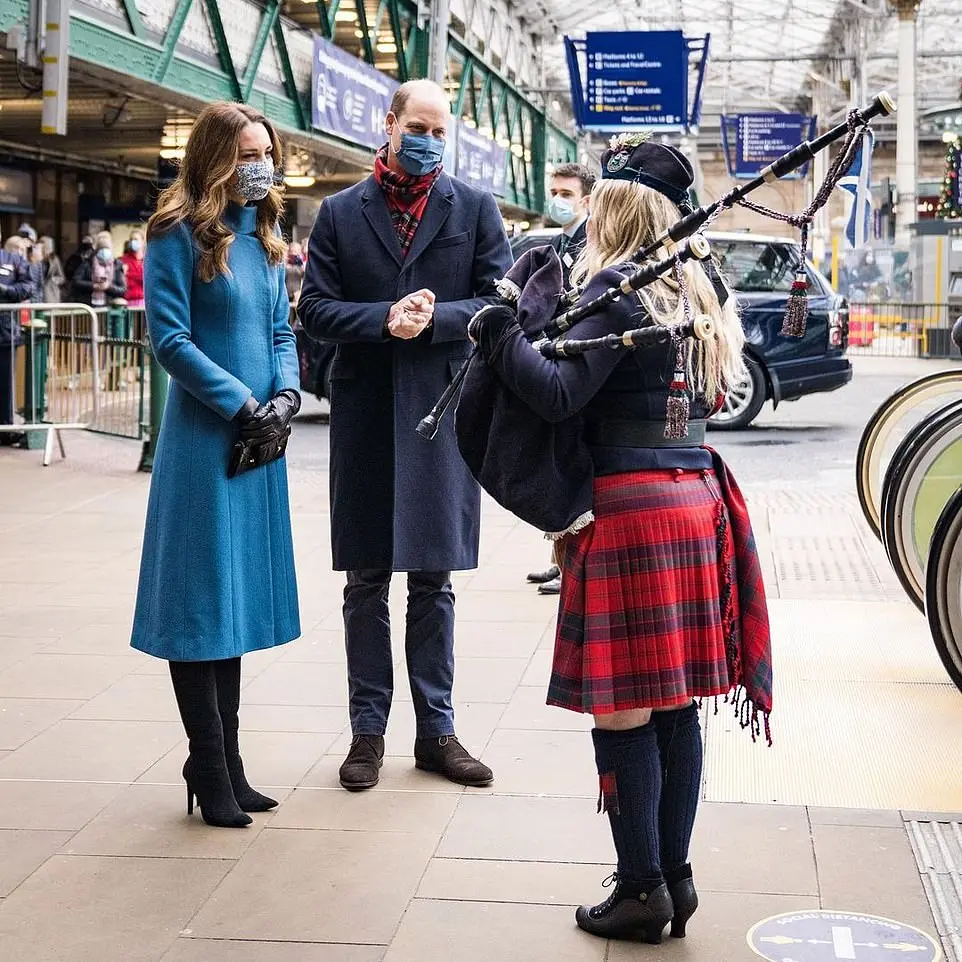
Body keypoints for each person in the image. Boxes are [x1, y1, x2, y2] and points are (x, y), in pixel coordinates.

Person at [469, 136, 773, 943]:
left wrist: (499, 334)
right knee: (676, 704)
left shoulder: (617, 285)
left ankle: (640, 889)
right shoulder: (700, 287)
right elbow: (709, 392)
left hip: (629, 513)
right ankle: (675, 877)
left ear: (614, 205)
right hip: (695, 500)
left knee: (624, 713)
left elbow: (560, 396)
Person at [298, 78, 512, 792]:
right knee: (365, 579)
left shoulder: (474, 209)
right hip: (363, 415)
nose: (429, 141)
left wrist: (439, 318)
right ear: (388, 124)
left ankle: (437, 731)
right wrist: (384, 317)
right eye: (418, 126)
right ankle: (368, 732)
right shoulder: (338, 213)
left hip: (441, 413)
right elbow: (316, 310)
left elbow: (499, 303)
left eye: (440, 130)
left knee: (434, 578)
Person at [130, 101, 302, 828]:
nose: (261, 166)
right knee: (202, 605)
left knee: (231, 605)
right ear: (215, 158)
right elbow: (170, 340)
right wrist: (240, 402)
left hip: (257, 443)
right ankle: (208, 759)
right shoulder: (173, 233)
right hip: (206, 443)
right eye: (248, 153)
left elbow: (279, 326)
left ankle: (225, 762)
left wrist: (288, 390)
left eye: (267, 152)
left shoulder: (262, 237)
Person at [525, 162, 599, 597]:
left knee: (572, 468)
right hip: (552, 362)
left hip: (576, 367)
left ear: (587, 201)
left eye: (567, 193)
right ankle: (558, 560)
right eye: (554, 190)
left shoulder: (595, 247)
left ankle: (571, 563)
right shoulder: (555, 245)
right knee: (552, 467)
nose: (557, 199)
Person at [0, 226, 35, 446]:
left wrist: (5, 290)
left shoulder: (12, 259)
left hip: (4, 332)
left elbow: (28, 286)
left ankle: (5, 427)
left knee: (5, 385)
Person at [71, 231, 126, 307]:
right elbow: (75, 282)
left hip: (109, 305)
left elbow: (122, 289)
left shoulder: (117, 265)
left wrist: (108, 287)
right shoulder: (87, 263)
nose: (104, 252)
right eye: (101, 249)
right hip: (88, 305)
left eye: (106, 249)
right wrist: (93, 286)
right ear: (97, 250)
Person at [121, 228, 146, 308]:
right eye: (131, 239)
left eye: (136, 239)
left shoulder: (148, 260)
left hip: (144, 301)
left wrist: (128, 274)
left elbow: (148, 279)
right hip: (128, 301)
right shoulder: (123, 260)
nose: (133, 241)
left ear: (143, 241)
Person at [39, 236, 66, 304]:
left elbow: (62, 277)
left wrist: (54, 280)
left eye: (50, 247)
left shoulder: (54, 259)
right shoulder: (36, 258)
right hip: (38, 293)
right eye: (47, 247)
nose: (49, 249)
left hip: (51, 293)